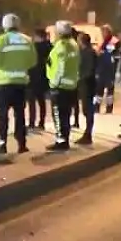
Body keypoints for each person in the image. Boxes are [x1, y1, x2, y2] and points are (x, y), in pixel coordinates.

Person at [0, 13, 37, 154]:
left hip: (4, 83)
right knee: (20, 114)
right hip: (21, 83)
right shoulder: (27, 40)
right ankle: (22, 144)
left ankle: (2, 144)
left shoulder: (1, 40)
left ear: (4, 25)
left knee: (3, 115)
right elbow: (33, 61)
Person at [46, 21, 80, 151]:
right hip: (71, 86)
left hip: (60, 86)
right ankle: (65, 139)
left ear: (59, 32)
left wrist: (54, 83)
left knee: (58, 115)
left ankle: (61, 141)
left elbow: (61, 67)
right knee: (66, 115)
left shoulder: (61, 46)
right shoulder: (74, 44)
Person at [27, 27, 53, 130]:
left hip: (33, 76)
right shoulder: (50, 47)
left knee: (32, 102)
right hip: (44, 77)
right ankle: (42, 123)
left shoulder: (33, 47)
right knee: (42, 101)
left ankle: (32, 122)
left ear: (37, 36)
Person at [75, 32, 97, 145]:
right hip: (86, 83)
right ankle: (87, 133)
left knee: (87, 109)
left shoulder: (88, 53)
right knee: (86, 109)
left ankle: (88, 134)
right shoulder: (86, 51)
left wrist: (80, 78)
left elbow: (89, 69)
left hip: (87, 83)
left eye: (78, 39)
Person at [96, 37, 118, 114]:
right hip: (104, 73)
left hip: (107, 73)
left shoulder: (111, 45)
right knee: (99, 92)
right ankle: (98, 107)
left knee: (108, 93)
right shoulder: (104, 50)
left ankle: (108, 108)